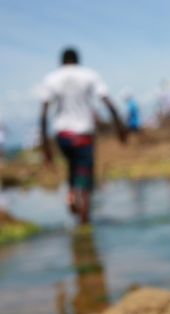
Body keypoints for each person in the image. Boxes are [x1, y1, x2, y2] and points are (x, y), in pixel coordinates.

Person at [39, 47, 127, 225]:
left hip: (62, 135)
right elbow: (108, 102)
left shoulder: (51, 78)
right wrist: (120, 128)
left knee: (72, 167)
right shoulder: (89, 75)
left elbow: (43, 114)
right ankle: (84, 226)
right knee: (85, 181)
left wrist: (45, 147)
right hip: (83, 135)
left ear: (61, 62)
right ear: (78, 60)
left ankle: (71, 198)